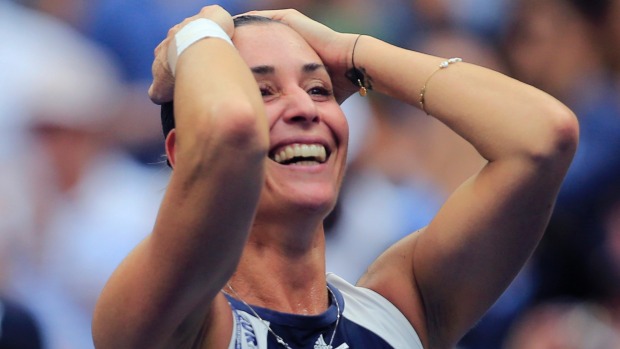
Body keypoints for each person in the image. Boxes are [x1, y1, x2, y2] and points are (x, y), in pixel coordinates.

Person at [92, 5, 578, 349]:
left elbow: (540, 138)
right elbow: (228, 133)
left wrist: (352, 51)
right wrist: (200, 31)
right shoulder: (172, 322)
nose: (305, 107)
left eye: (320, 88)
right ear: (182, 152)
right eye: (261, 91)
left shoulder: (402, 306)